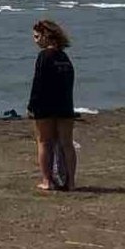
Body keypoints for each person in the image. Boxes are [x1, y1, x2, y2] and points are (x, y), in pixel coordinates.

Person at [27, 18, 76, 192]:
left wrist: (31, 106)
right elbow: (69, 82)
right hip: (65, 105)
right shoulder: (64, 57)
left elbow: (38, 82)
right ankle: (70, 182)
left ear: (46, 36)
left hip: (46, 106)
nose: (35, 40)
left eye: (37, 36)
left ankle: (47, 180)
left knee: (44, 142)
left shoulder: (44, 56)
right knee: (66, 143)